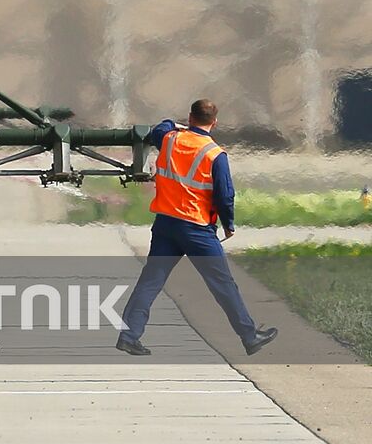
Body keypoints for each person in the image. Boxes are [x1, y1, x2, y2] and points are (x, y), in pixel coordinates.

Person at [116, 99, 278, 356]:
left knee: (151, 281)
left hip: (166, 224)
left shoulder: (170, 139)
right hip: (196, 229)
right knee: (222, 284)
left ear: (190, 117)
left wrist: (175, 124)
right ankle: (250, 337)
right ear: (215, 122)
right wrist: (229, 224)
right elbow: (225, 195)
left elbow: (160, 127)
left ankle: (129, 335)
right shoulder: (215, 154)